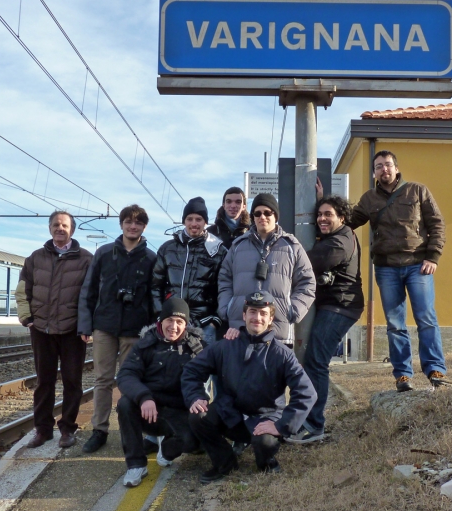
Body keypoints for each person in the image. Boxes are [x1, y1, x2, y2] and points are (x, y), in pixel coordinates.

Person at [182, 291, 317, 483]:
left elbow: (306, 393)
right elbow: (192, 371)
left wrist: (281, 425)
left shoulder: (282, 354)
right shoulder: (225, 346)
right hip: (230, 414)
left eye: (263, 313)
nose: (257, 318)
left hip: (264, 419)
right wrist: (196, 396)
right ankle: (225, 462)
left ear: (271, 318)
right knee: (198, 416)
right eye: (253, 312)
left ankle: (267, 462)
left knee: (264, 443)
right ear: (244, 315)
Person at [350, 150, 449, 392]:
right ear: (374, 172)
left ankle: (435, 369)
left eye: (387, 165)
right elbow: (348, 222)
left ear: (396, 168)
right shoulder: (368, 199)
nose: (384, 169)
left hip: (418, 265)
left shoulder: (417, 190)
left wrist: (433, 256)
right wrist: (324, 204)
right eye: (379, 166)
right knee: (395, 324)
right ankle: (403, 375)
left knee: (426, 318)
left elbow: (437, 223)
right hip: (386, 268)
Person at [77, 205, 157, 454]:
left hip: (136, 329)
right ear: (121, 224)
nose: (133, 226)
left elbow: (154, 297)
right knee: (102, 380)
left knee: (131, 380)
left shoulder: (151, 258)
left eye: (138, 223)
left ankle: (130, 430)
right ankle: (99, 430)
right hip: (105, 326)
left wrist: (154, 329)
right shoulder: (103, 253)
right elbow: (88, 290)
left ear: (144, 227)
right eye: (129, 222)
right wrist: (85, 324)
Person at [287, 194, 364, 443]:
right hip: (332, 305)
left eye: (328, 214)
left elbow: (308, 262)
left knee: (316, 362)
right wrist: (318, 196)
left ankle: (314, 425)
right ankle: (308, 421)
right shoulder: (336, 236)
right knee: (314, 361)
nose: (321, 218)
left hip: (340, 306)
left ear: (341, 218)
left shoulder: (339, 242)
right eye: (319, 214)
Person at [15, 211, 93, 448]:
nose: (60, 228)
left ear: (72, 229)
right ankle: (43, 429)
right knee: (44, 382)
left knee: (72, 381)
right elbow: (22, 290)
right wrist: (26, 318)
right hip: (42, 329)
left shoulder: (86, 259)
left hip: (72, 330)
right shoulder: (34, 258)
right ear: (50, 228)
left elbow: (91, 295)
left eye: (65, 225)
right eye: (56, 225)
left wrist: (86, 325)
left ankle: (68, 429)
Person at [115, 297, 204, 487]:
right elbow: (125, 375)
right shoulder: (145, 344)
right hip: (149, 409)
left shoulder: (196, 347)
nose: (174, 326)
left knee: (194, 440)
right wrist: (144, 397)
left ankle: (168, 448)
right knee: (124, 404)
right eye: (169, 320)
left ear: (186, 325)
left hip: (178, 411)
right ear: (160, 321)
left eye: (179, 322)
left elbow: (218, 366)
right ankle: (136, 465)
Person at [217, 193, 315, 347]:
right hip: (240, 329)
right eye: (257, 213)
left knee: (275, 371)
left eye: (267, 212)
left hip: (278, 332)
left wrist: (292, 310)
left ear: (275, 215)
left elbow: (307, 283)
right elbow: (224, 279)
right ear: (253, 217)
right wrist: (227, 308)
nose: (262, 217)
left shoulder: (292, 246)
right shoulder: (238, 246)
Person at [151, 197, 226, 344]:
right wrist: (161, 315)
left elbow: (225, 288)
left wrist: (215, 321)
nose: (194, 224)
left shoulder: (219, 251)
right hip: (171, 324)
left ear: (205, 222)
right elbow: (155, 285)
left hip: (204, 324)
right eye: (189, 219)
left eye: (198, 219)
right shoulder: (168, 249)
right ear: (184, 221)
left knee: (203, 366)